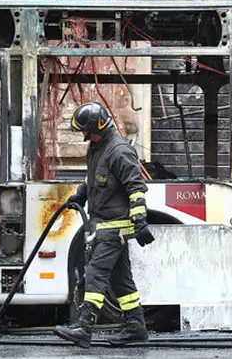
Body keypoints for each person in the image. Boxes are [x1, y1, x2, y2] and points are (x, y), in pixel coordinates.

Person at [53, 101, 155, 348]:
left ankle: (84, 327)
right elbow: (94, 178)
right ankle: (136, 327)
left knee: (95, 274)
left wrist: (140, 220)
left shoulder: (119, 151)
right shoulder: (98, 148)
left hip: (114, 227)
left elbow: (135, 187)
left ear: (95, 126)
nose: (83, 135)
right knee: (122, 281)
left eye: (84, 130)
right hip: (103, 226)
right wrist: (81, 194)